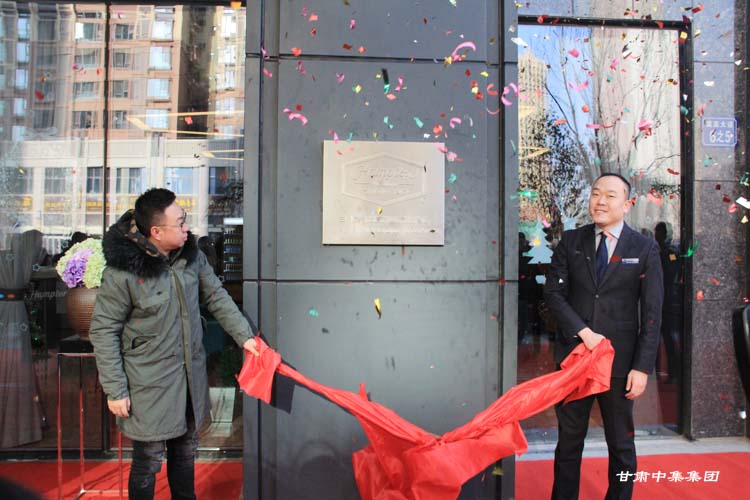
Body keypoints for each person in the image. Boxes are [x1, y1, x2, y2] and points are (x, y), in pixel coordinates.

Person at [89, 188, 259, 500]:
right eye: (180, 223)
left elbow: (216, 296)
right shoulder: (123, 271)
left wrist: (244, 336)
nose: (186, 228)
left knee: (185, 453)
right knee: (148, 461)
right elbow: (103, 330)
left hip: (189, 378)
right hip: (148, 384)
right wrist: (115, 389)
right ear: (156, 231)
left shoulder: (191, 258)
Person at [544, 173, 663, 500]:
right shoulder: (572, 241)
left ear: (627, 204)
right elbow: (553, 294)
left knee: (621, 445)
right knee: (568, 443)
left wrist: (642, 367)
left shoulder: (644, 248)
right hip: (575, 359)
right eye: (596, 193)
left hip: (620, 363)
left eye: (610, 195)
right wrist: (584, 333)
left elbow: (652, 313)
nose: (600, 201)